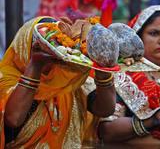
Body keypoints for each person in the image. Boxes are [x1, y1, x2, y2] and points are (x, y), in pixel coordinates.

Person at [0, 16, 116, 148]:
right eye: (44, 46)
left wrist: (102, 70)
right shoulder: (5, 79)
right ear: (25, 47)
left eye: (56, 45)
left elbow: (105, 109)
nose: (51, 53)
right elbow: (13, 119)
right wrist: (35, 66)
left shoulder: (66, 79)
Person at [98, 5, 160, 147]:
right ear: (138, 37)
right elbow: (107, 132)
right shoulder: (123, 75)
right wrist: (151, 120)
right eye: (154, 33)